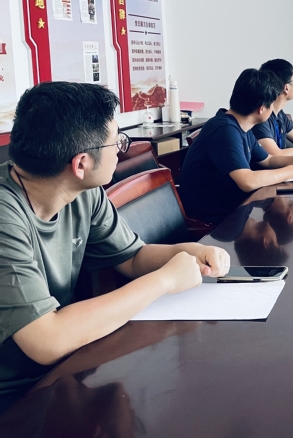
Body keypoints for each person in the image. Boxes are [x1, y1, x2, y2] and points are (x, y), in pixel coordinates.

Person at [0, 82, 230, 406]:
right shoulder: (6, 216)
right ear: (81, 164)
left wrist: (189, 252)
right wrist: (164, 281)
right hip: (15, 398)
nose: (122, 148)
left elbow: (132, 257)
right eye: (117, 141)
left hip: (62, 372)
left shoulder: (82, 191)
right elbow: (47, 340)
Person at [178, 69, 293, 224]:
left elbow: (268, 160)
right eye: (271, 104)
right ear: (261, 109)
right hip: (212, 217)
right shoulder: (225, 130)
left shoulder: (242, 126)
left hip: (233, 207)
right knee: (270, 227)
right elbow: (247, 181)